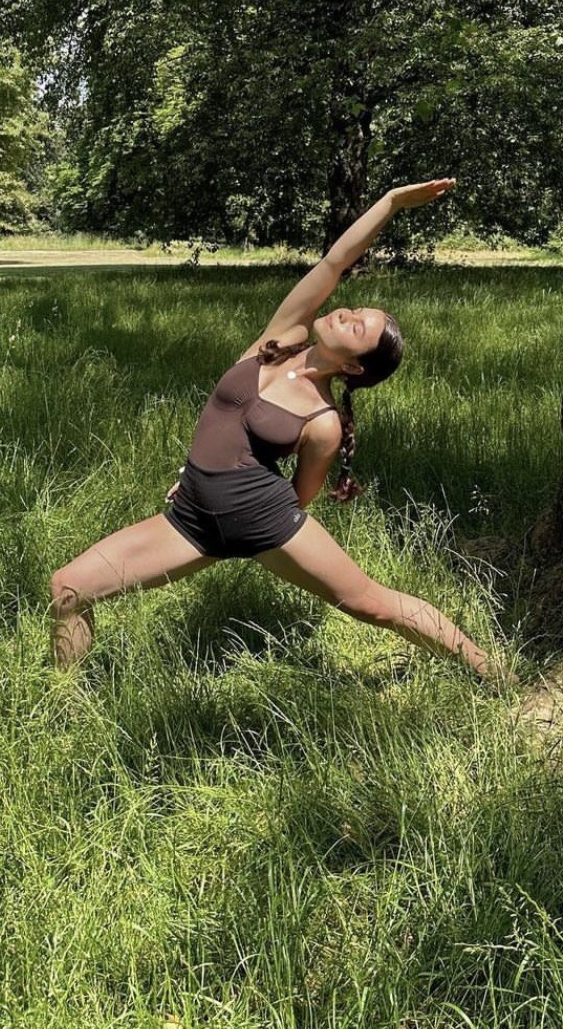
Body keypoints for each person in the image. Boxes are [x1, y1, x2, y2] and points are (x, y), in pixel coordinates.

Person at [50, 178, 511, 687]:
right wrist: (392, 203)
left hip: (264, 522)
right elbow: (333, 264)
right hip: (191, 520)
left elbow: (301, 495)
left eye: (357, 328)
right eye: (357, 310)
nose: (347, 314)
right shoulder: (281, 338)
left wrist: (240, 499)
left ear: (355, 368)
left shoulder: (323, 422)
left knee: (372, 605)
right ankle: (63, 701)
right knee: (69, 589)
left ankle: (491, 674)